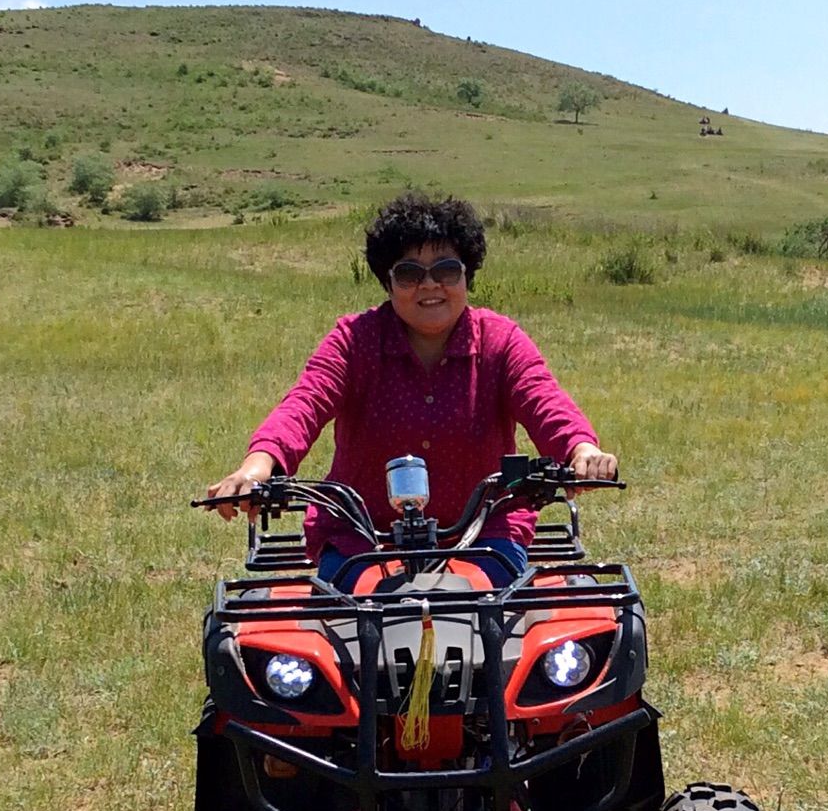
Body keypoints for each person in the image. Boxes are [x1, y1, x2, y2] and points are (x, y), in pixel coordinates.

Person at [205, 192, 618, 586]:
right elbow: (305, 403)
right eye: (409, 273)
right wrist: (257, 467)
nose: (429, 285)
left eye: (446, 270)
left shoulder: (500, 341)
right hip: (362, 538)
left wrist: (581, 450)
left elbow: (545, 401)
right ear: (388, 282)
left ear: (467, 275)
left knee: (481, 612)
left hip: (483, 533)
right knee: (365, 620)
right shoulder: (355, 340)